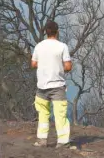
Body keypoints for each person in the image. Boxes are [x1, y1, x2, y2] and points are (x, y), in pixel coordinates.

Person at [31, 20, 73, 148]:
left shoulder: (39, 46)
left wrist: (44, 64)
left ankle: (42, 140)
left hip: (42, 86)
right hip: (57, 86)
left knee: (43, 113)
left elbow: (33, 64)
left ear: (45, 32)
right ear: (57, 32)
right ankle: (63, 141)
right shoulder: (62, 46)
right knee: (60, 114)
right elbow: (68, 66)